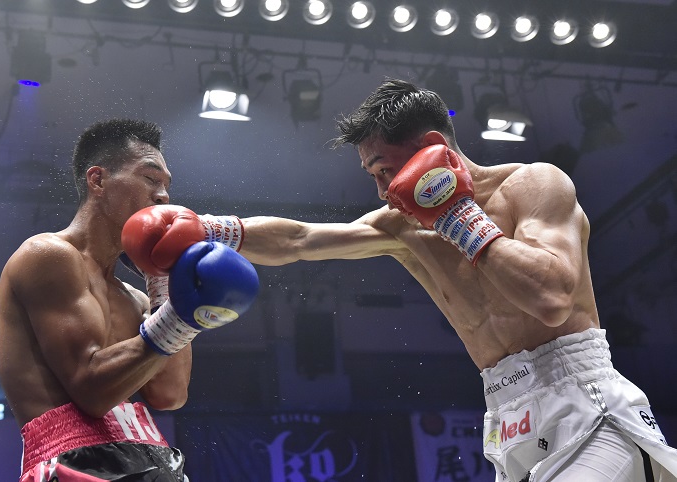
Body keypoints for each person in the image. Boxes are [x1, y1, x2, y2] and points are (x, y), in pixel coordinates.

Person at [227, 79, 677, 481]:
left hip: (585, 404)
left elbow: (552, 297)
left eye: (385, 170)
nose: (383, 191)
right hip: (509, 418)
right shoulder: (401, 227)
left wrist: (459, 218)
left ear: (431, 147)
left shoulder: (533, 185)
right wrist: (211, 231)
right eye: (373, 176)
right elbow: (299, 239)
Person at [0, 119, 259, 481]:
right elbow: (91, 390)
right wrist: (178, 319)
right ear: (98, 180)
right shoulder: (47, 255)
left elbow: (170, 395)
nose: (163, 196)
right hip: (75, 464)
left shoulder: (136, 298)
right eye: (150, 178)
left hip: (154, 458)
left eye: (166, 185)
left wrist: (165, 288)